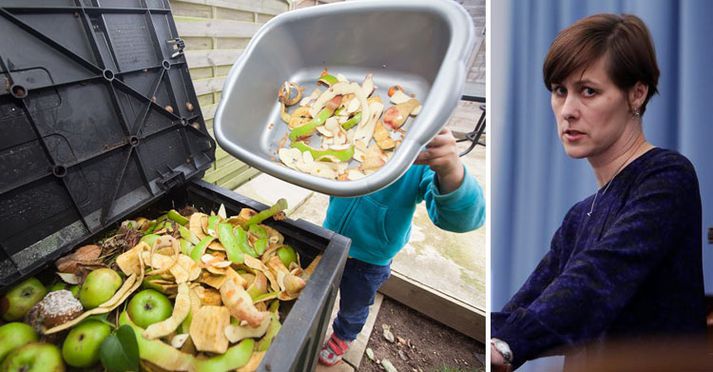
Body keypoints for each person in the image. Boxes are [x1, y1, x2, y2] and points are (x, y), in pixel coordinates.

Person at [491, 14, 705, 371]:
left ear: (636, 93)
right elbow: (529, 303)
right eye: (560, 91)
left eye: (588, 91)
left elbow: (600, 276)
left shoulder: (668, 177)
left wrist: (511, 343)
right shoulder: (579, 216)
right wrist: (497, 336)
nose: (568, 111)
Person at [317, 127, 485, 366]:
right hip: (331, 237)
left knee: (355, 305)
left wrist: (451, 170)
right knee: (321, 289)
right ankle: (317, 321)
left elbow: (463, 218)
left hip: (370, 259)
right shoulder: (356, 128)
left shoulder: (419, 152)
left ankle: (344, 335)